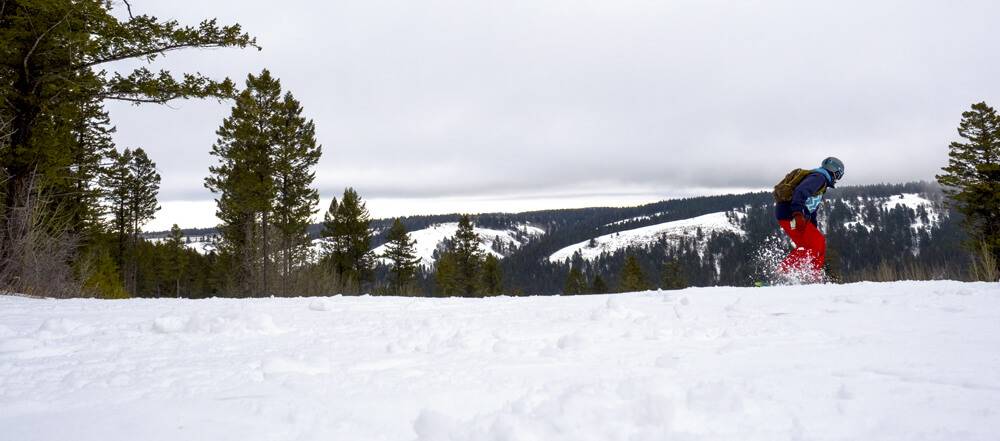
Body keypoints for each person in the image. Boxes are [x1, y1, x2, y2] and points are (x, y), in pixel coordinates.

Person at [773, 157, 845, 282]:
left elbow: (812, 209)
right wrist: (797, 213)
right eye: (839, 175)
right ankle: (786, 273)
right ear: (835, 171)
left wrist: (812, 226)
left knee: (815, 244)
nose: (837, 179)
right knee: (815, 244)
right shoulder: (819, 177)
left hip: (794, 215)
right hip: (790, 214)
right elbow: (800, 192)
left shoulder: (821, 182)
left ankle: (808, 275)